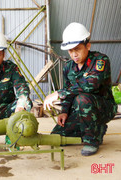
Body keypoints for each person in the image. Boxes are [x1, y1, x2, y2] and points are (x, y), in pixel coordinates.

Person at [43, 22, 117, 156]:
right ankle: (97, 129)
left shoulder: (100, 60)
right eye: (70, 51)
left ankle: (91, 141)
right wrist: (64, 112)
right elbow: (69, 91)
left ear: (88, 46)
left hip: (103, 107)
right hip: (80, 109)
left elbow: (91, 84)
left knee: (82, 98)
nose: (74, 54)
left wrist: (58, 94)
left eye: (77, 49)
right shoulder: (69, 67)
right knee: (57, 137)